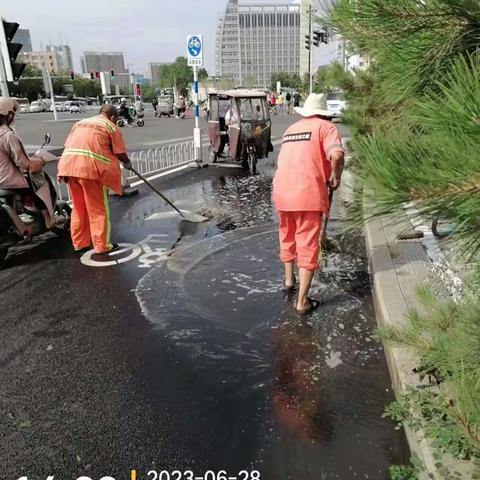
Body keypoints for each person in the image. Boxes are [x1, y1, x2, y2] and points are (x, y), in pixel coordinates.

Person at [272, 93, 344, 314]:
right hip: (307, 194)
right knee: (307, 243)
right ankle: (302, 302)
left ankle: (288, 281)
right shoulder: (326, 128)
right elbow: (338, 155)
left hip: (282, 191)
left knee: (287, 234)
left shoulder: (291, 129)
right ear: (324, 114)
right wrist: (336, 176)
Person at [58, 105, 133, 254]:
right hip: (91, 171)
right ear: (112, 117)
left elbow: (68, 145)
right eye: (116, 119)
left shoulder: (80, 123)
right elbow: (119, 152)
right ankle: (102, 245)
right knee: (98, 209)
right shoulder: (110, 127)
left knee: (79, 208)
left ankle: (79, 243)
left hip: (69, 168)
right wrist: (127, 162)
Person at [0, 97, 58, 228]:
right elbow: (24, 164)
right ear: (8, 114)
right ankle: (49, 220)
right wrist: (40, 162)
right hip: (9, 181)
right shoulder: (8, 135)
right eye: (12, 114)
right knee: (37, 188)